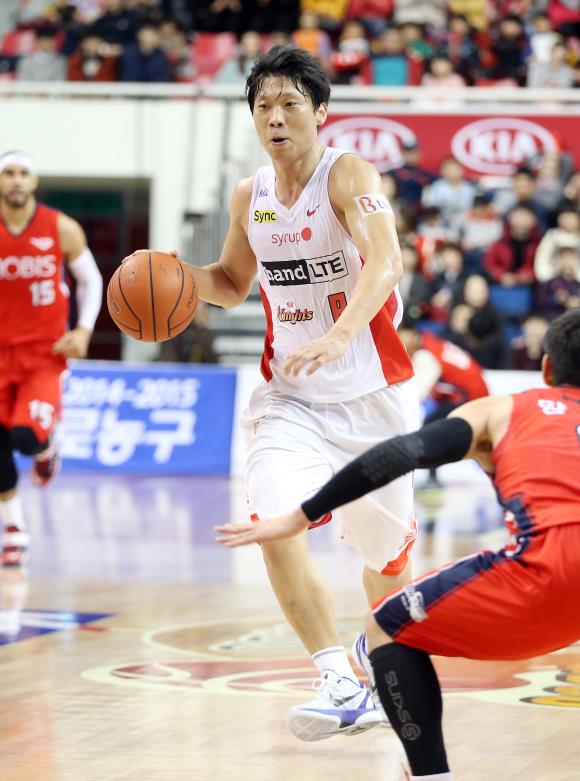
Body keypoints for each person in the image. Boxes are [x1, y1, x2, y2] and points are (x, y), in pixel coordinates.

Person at [167, 45, 419, 741]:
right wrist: (175, 276)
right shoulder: (249, 195)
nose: (275, 118)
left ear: (320, 111)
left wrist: (341, 334)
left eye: (289, 104)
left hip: (370, 396)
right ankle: (338, 678)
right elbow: (229, 282)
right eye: (263, 106)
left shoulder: (348, 175)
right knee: (274, 520)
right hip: (290, 396)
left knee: (388, 563)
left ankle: (374, 642)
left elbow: (387, 259)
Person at [216, 308, 580, 781]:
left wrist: (304, 513)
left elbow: (401, 452)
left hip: (545, 570)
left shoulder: (504, 409)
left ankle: (431, 775)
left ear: (546, 368)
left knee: (386, 622)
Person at [0, 151, 103, 567]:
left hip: (44, 354)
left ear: (34, 181)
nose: (16, 180)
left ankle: (47, 449)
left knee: (25, 438)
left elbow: (90, 279)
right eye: (8, 173)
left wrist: (84, 330)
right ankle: (14, 527)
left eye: (23, 173)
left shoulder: (61, 227)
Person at [398, 322, 489, 488]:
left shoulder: (424, 354)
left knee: (432, 428)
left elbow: (417, 394)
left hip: (468, 396)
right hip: (471, 392)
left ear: (411, 333)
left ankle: (432, 479)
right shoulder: (430, 342)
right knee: (475, 439)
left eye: (401, 334)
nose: (400, 341)